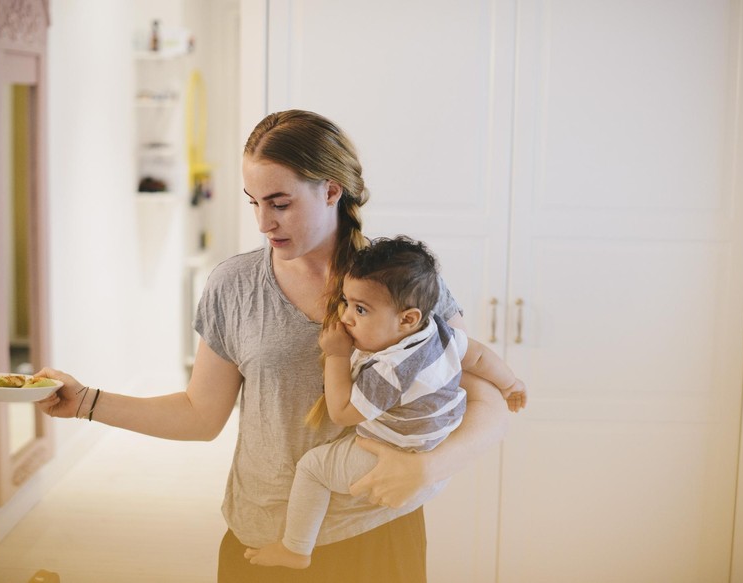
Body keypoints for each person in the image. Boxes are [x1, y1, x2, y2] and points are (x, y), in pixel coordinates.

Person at [36, 109, 525, 583]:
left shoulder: (404, 282)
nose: (264, 221)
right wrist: (85, 403)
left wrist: (429, 469)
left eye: (280, 203)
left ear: (331, 190)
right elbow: (199, 415)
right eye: (254, 202)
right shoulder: (234, 285)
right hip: (263, 541)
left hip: (377, 532)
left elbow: (489, 398)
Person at [244, 236, 526, 570]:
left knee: (313, 468)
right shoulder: (437, 330)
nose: (346, 317)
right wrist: (511, 383)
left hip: (395, 452)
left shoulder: (390, 371)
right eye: (347, 303)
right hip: (437, 435)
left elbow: (343, 413)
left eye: (361, 309)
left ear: (407, 319)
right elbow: (477, 355)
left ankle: (296, 548)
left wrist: (337, 355)